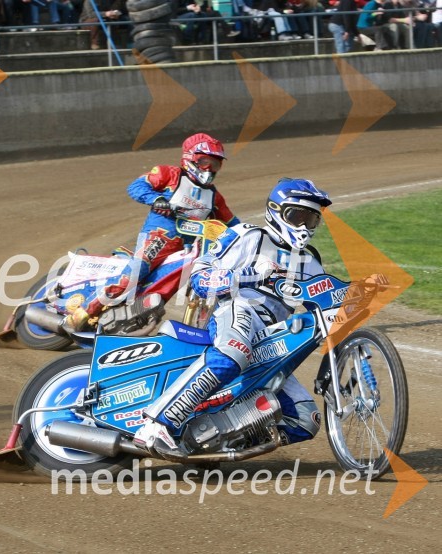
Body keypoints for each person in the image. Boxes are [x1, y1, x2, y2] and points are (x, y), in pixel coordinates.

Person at [133, 178, 332, 454]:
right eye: (297, 216)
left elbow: (325, 304)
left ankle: (211, 438)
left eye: (310, 220)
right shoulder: (248, 235)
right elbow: (200, 277)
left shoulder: (310, 262)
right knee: (233, 353)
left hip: (274, 336)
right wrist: (243, 277)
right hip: (238, 310)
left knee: (304, 420)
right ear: (276, 210)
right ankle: (157, 424)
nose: (303, 227)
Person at [63, 133, 239, 332]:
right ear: (190, 158)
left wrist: (251, 234)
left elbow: (233, 222)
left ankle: (138, 312)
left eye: (215, 164)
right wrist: (156, 199)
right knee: (138, 269)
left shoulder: (214, 197)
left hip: (188, 249)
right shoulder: (170, 174)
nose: (209, 169)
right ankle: (84, 312)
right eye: (204, 161)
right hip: (159, 237)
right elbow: (136, 186)